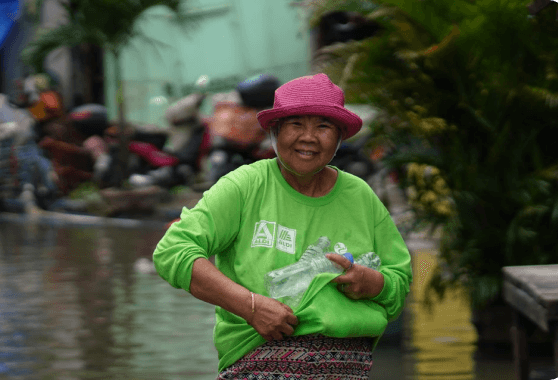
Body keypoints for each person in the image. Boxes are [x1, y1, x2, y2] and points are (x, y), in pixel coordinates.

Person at [153, 73, 412, 379]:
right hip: (258, 364)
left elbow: (400, 278)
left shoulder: (360, 196)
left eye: (323, 126)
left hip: (350, 369)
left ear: (340, 136)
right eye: (296, 124)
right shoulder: (246, 185)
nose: (309, 137)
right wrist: (250, 306)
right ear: (275, 131)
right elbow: (172, 250)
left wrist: (373, 284)